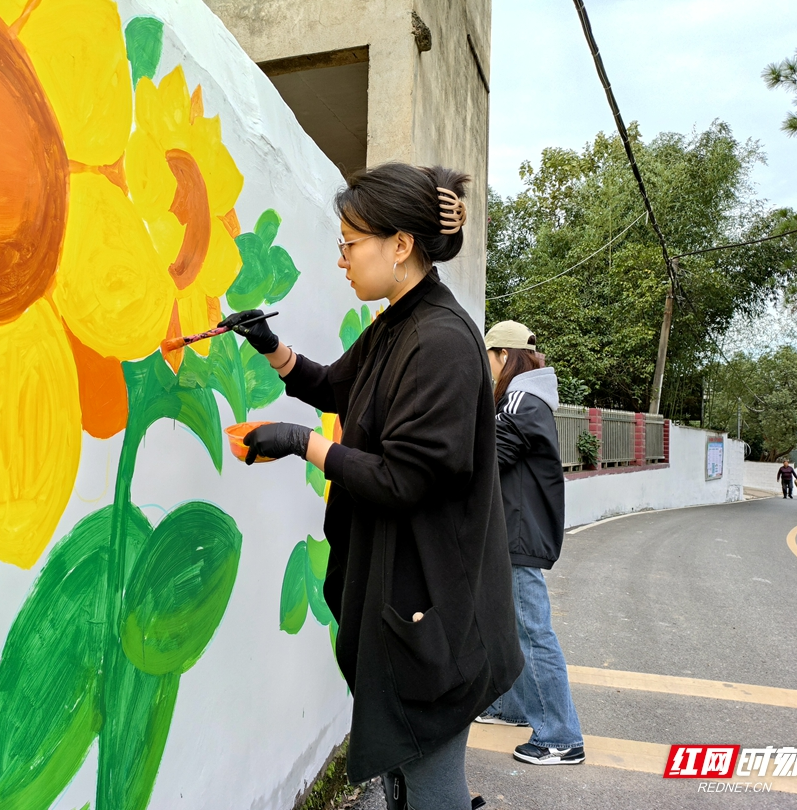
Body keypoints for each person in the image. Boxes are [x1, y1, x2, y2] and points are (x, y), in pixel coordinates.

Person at [221, 163, 523, 810]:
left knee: (430, 786)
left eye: (350, 244)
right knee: (406, 781)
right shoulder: (398, 322)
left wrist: (303, 444)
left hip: (436, 615)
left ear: (400, 245)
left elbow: (403, 479)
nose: (342, 261)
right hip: (406, 601)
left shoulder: (439, 339)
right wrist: (270, 346)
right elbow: (334, 385)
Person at [474, 320, 585, 766]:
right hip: (515, 530)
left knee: (534, 632)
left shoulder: (520, 398)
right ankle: (512, 706)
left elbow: (490, 456)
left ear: (504, 356)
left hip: (517, 533)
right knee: (513, 627)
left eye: (488, 357)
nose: (486, 366)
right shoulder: (527, 396)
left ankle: (561, 736)